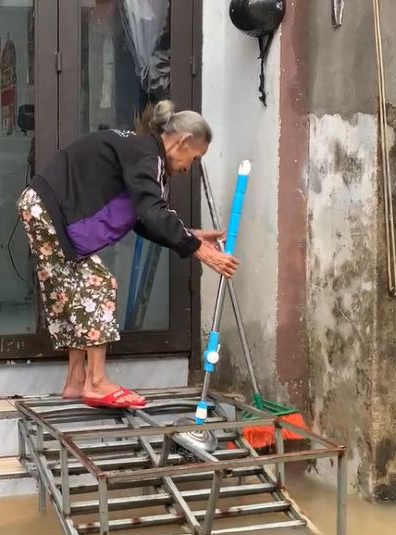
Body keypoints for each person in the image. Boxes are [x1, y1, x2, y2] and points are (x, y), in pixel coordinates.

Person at [17, 100, 238, 410]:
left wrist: (190, 235)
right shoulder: (147, 154)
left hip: (43, 207)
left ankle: (76, 380)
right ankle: (95, 383)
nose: (189, 167)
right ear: (184, 141)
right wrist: (200, 251)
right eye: (195, 157)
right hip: (49, 209)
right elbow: (152, 212)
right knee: (98, 284)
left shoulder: (141, 152)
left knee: (75, 289)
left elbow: (144, 218)